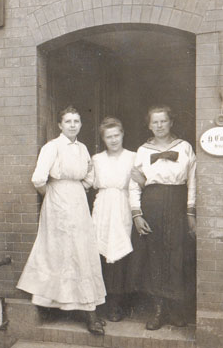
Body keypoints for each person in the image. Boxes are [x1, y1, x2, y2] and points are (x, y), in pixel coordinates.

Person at [17, 106, 106, 335]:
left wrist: (76, 189)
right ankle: (61, 306)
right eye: (68, 121)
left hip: (78, 202)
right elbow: (38, 178)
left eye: (77, 121)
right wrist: (52, 194)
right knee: (58, 251)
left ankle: (86, 307)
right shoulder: (52, 147)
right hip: (56, 202)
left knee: (81, 251)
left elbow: (89, 177)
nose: (73, 125)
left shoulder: (83, 148)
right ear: (60, 125)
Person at [127, 105, 196, 330]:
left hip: (177, 201)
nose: (159, 126)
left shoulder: (184, 148)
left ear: (171, 122)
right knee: (154, 256)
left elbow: (193, 182)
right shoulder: (143, 151)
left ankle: (176, 309)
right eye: (154, 122)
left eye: (163, 121)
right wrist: (137, 214)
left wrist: (190, 211)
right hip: (152, 203)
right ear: (149, 125)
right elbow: (134, 185)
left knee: (176, 253)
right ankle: (158, 311)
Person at [91, 117, 136, 322]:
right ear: (103, 139)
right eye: (109, 137)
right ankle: (105, 303)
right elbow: (87, 181)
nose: (113, 140)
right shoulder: (97, 159)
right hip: (103, 207)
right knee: (101, 252)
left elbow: (139, 183)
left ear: (123, 134)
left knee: (121, 252)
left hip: (123, 205)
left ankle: (119, 304)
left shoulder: (133, 157)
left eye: (116, 135)